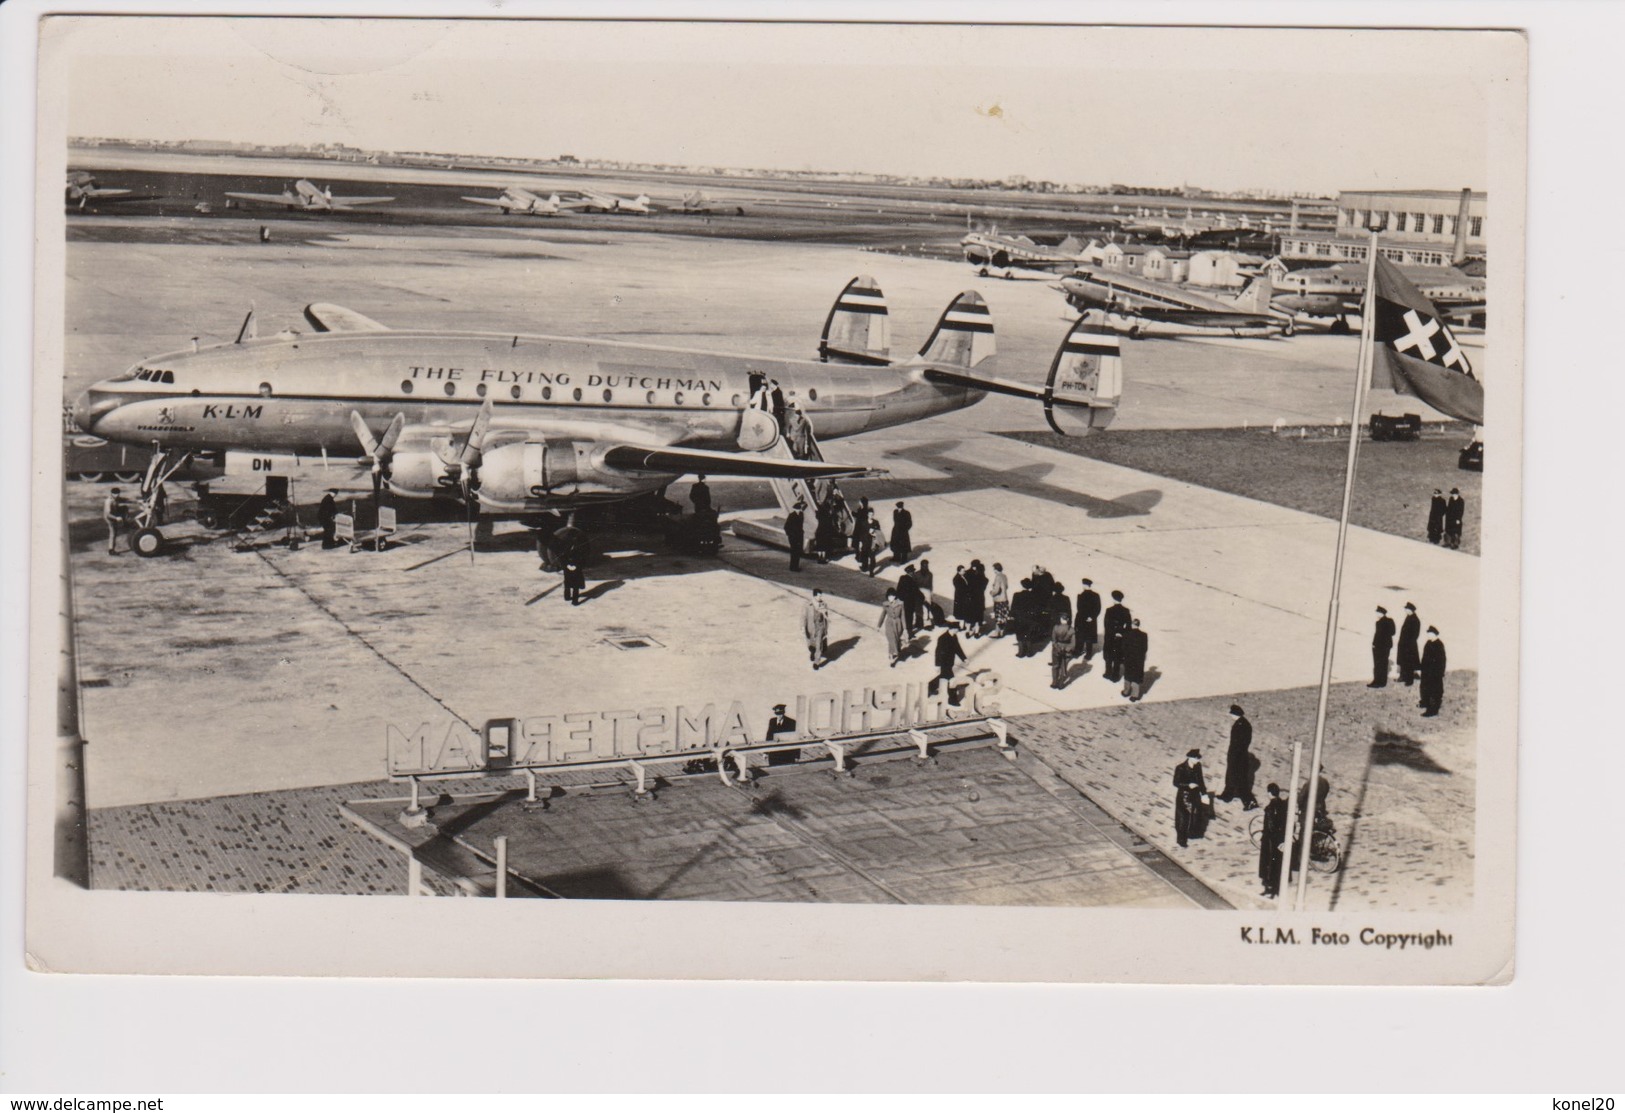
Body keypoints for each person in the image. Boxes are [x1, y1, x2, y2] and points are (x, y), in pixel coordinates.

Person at [1218, 703, 1259, 809]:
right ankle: (1227, 795)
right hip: (1240, 756)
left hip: (1237, 757)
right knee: (1231, 777)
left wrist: (1234, 756)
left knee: (1241, 781)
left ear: (1235, 714)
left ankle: (1250, 802)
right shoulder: (1245, 723)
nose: (1230, 716)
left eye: (1231, 714)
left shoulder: (1240, 725)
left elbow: (1238, 743)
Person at [1173, 749, 1213, 848]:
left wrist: (1204, 794)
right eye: (1196, 759)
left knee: (1194, 815)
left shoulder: (1197, 766)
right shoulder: (1180, 768)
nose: (1197, 761)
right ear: (1190, 758)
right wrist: (1188, 785)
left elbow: (1200, 780)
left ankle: (1192, 833)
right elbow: (1176, 783)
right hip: (1184, 796)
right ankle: (1181, 839)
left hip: (1194, 795)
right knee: (1183, 817)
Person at [1259, 783, 1288, 898]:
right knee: (1277, 865)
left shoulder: (1270, 808)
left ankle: (1269, 889)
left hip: (1270, 841)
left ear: (1269, 793)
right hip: (1279, 840)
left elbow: (1270, 826)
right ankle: (1275, 889)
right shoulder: (1282, 805)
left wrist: (1265, 836)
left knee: (1268, 865)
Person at [928, 620, 966, 700]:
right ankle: (952, 699)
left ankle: (930, 687)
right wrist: (937, 665)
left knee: (943, 677)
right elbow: (938, 652)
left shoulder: (954, 636)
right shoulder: (942, 638)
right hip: (943, 662)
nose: (958, 631)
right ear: (952, 629)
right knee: (951, 680)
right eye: (957, 629)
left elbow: (957, 648)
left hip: (950, 662)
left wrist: (964, 658)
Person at [1102, 590, 1131, 682]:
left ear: (1113, 599)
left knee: (1109, 655)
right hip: (1120, 638)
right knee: (1117, 656)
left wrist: (1113, 632)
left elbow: (1106, 624)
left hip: (1110, 636)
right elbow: (1128, 625)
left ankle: (1108, 673)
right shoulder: (1126, 611)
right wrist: (1121, 633)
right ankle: (1115, 676)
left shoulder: (1109, 610)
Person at [1419, 625, 1447, 717]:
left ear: (1435, 634)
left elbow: (1442, 660)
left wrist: (1439, 673)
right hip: (1426, 672)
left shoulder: (1439, 645)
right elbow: (1424, 658)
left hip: (1435, 673)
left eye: (1430, 634)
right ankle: (1425, 702)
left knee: (1434, 691)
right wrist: (1421, 668)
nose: (1428, 635)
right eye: (1428, 634)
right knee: (1425, 688)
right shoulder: (1428, 643)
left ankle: (1432, 710)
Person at [1121, 617, 1149, 701]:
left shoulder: (1127, 634)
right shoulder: (1144, 635)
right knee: (1136, 676)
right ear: (1138, 625)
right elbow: (1145, 648)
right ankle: (1134, 695)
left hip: (1129, 658)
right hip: (1139, 659)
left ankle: (1126, 691)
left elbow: (1123, 647)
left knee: (1128, 675)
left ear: (1132, 625)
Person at [878, 588, 907, 666]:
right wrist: (879, 625)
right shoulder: (885, 604)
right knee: (891, 639)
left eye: (892, 596)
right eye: (889, 596)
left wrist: (905, 628)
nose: (890, 598)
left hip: (898, 624)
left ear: (895, 596)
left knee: (896, 639)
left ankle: (897, 647)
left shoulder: (900, 604)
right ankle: (891, 658)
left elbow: (903, 616)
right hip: (889, 623)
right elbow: (883, 615)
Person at [1369, 605, 1395, 688]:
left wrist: (1383, 637)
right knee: (1377, 664)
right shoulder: (1378, 622)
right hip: (1377, 645)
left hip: (1384, 646)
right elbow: (1376, 634)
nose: (1377, 614)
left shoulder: (1389, 621)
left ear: (1382, 613)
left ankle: (1381, 682)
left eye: (1378, 612)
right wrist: (1374, 643)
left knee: (1382, 664)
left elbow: (1393, 632)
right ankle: (1377, 681)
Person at [1075, 578, 1101, 661]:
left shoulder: (1080, 595)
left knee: (1080, 636)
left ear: (1084, 585)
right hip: (1091, 621)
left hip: (1082, 619)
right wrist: (1092, 617)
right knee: (1089, 637)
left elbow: (1079, 608)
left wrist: (1084, 617)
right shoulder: (1096, 595)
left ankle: (1078, 651)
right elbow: (1098, 608)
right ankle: (1089, 654)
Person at [803, 589, 830, 669]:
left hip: (820, 627)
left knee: (819, 644)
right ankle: (812, 651)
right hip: (811, 627)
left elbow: (826, 617)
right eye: (819, 595)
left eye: (821, 595)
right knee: (811, 643)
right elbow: (804, 617)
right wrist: (802, 626)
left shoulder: (824, 604)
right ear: (815, 596)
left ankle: (816, 662)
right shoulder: (808, 605)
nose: (821, 597)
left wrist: (826, 628)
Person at [1396, 602, 1422, 686]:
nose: (1405, 610)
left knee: (1409, 662)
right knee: (1403, 661)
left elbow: (1415, 634)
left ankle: (1409, 680)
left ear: (1411, 610)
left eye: (1407, 609)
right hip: (1404, 644)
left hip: (1409, 645)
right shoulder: (1408, 617)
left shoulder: (1415, 620)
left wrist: (1408, 644)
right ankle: (1403, 677)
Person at [1049, 614, 1075, 689]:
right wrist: (1066, 650)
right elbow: (1073, 643)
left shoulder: (1056, 628)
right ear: (1067, 620)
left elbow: (1054, 641)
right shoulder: (1071, 629)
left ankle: (1054, 682)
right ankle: (1061, 684)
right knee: (1063, 667)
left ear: (1061, 619)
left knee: (1055, 666)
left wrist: (1058, 648)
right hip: (1067, 651)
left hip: (1057, 650)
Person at [897, 565, 924, 637]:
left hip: (906, 601)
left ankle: (905, 630)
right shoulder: (911, 580)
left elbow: (898, 590)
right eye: (913, 572)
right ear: (910, 572)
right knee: (909, 617)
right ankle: (909, 633)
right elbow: (916, 591)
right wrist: (922, 597)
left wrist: (901, 598)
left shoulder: (902, 578)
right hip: (909, 602)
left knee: (906, 616)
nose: (914, 573)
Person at [102, 487, 128, 555]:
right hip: (110, 518)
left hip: (114, 514)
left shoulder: (115, 498)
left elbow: (125, 500)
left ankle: (125, 522)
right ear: (111, 494)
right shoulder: (108, 501)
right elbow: (108, 514)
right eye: (115, 494)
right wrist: (116, 518)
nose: (117, 496)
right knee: (113, 533)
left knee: (125, 508)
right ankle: (111, 550)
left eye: (118, 494)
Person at [988, 562, 1010, 637]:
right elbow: (1006, 586)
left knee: (998, 616)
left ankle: (997, 633)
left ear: (996, 569)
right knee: (1003, 616)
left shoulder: (998, 577)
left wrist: (992, 592)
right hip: (1005, 598)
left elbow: (997, 589)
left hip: (999, 599)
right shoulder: (1004, 576)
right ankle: (1001, 632)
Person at [784, 500, 805, 572]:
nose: (802, 508)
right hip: (793, 537)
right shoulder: (792, 515)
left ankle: (795, 566)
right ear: (798, 508)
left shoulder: (801, 514)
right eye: (801, 507)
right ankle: (793, 567)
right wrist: (791, 534)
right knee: (794, 552)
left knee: (797, 552)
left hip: (799, 536)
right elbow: (786, 526)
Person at [916, 560, 936, 628]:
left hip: (927, 591)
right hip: (919, 591)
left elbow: (931, 584)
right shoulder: (917, 574)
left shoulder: (930, 574)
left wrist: (931, 592)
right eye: (924, 565)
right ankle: (923, 622)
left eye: (926, 565)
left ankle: (929, 621)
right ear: (921, 565)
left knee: (928, 606)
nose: (925, 567)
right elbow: (915, 584)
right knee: (922, 607)